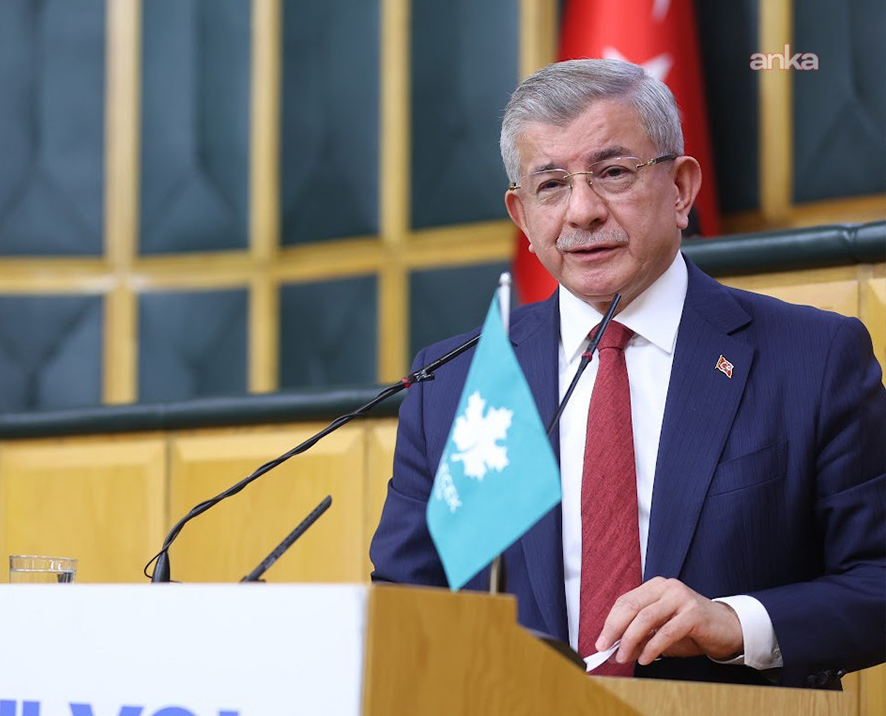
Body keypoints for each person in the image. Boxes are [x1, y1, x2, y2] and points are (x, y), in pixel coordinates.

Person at [369, 59, 885, 688]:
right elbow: (404, 604)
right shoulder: (456, 385)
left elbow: (878, 581)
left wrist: (734, 622)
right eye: (551, 186)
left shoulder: (812, 358)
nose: (582, 211)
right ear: (522, 216)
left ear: (681, 189)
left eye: (613, 173)